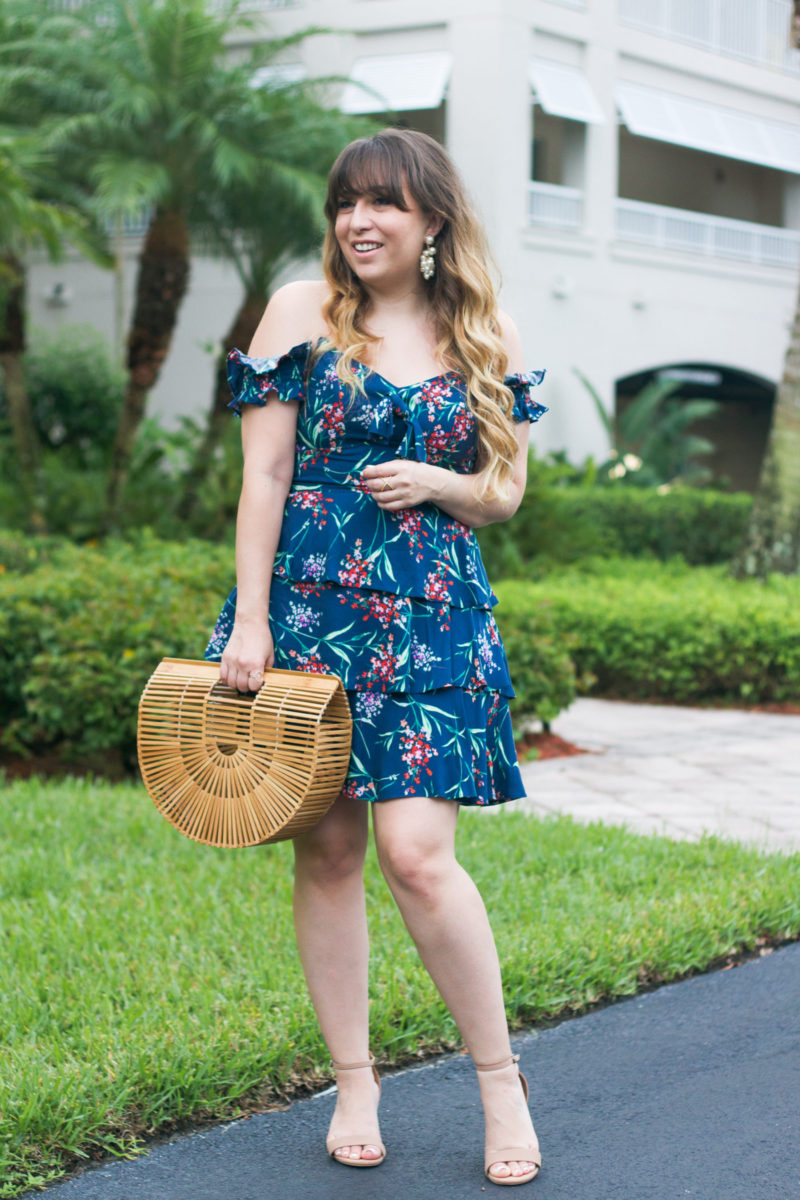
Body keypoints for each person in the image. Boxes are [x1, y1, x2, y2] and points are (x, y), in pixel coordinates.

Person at [203, 128, 547, 1186]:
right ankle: (354, 1079)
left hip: (432, 614)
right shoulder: (301, 313)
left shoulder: (480, 329)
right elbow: (263, 477)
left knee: (416, 856)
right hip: (305, 610)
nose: (358, 220)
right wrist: (250, 621)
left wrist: (438, 484)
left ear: (431, 220)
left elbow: (504, 491)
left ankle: (497, 1078)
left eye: (384, 204)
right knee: (329, 852)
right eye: (346, 202)